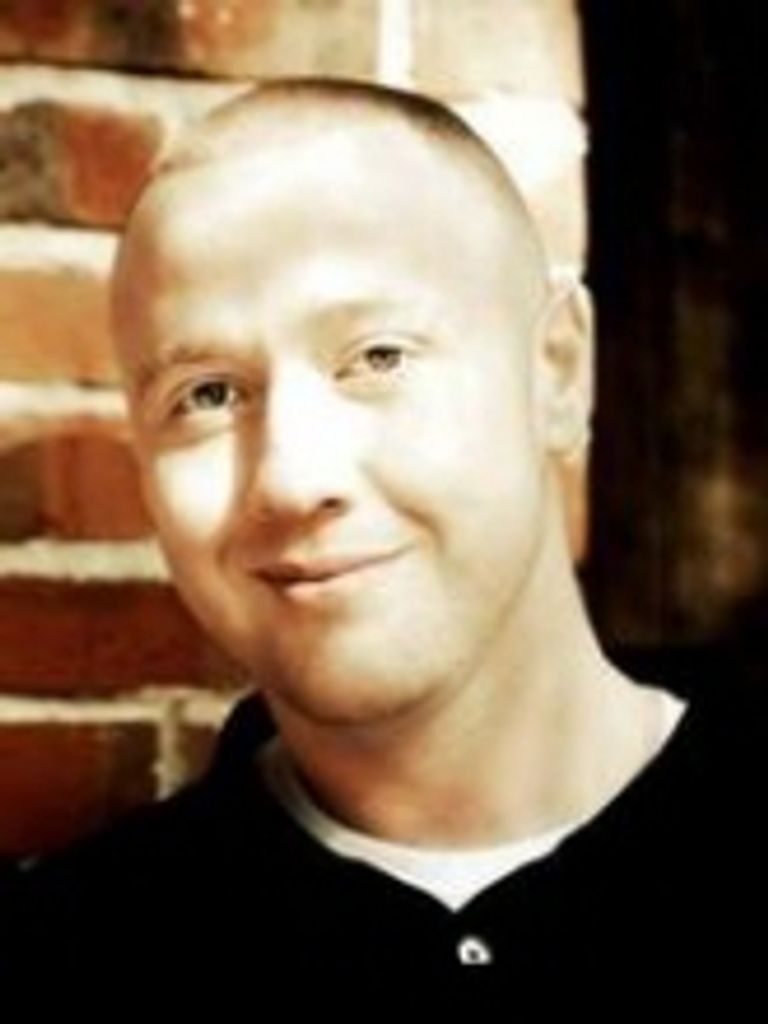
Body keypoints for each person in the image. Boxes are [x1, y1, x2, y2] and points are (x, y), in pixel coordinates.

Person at [4, 77, 766, 1013]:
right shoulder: (61, 964)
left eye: (377, 356)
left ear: (557, 373)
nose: (291, 478)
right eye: (207, 395)